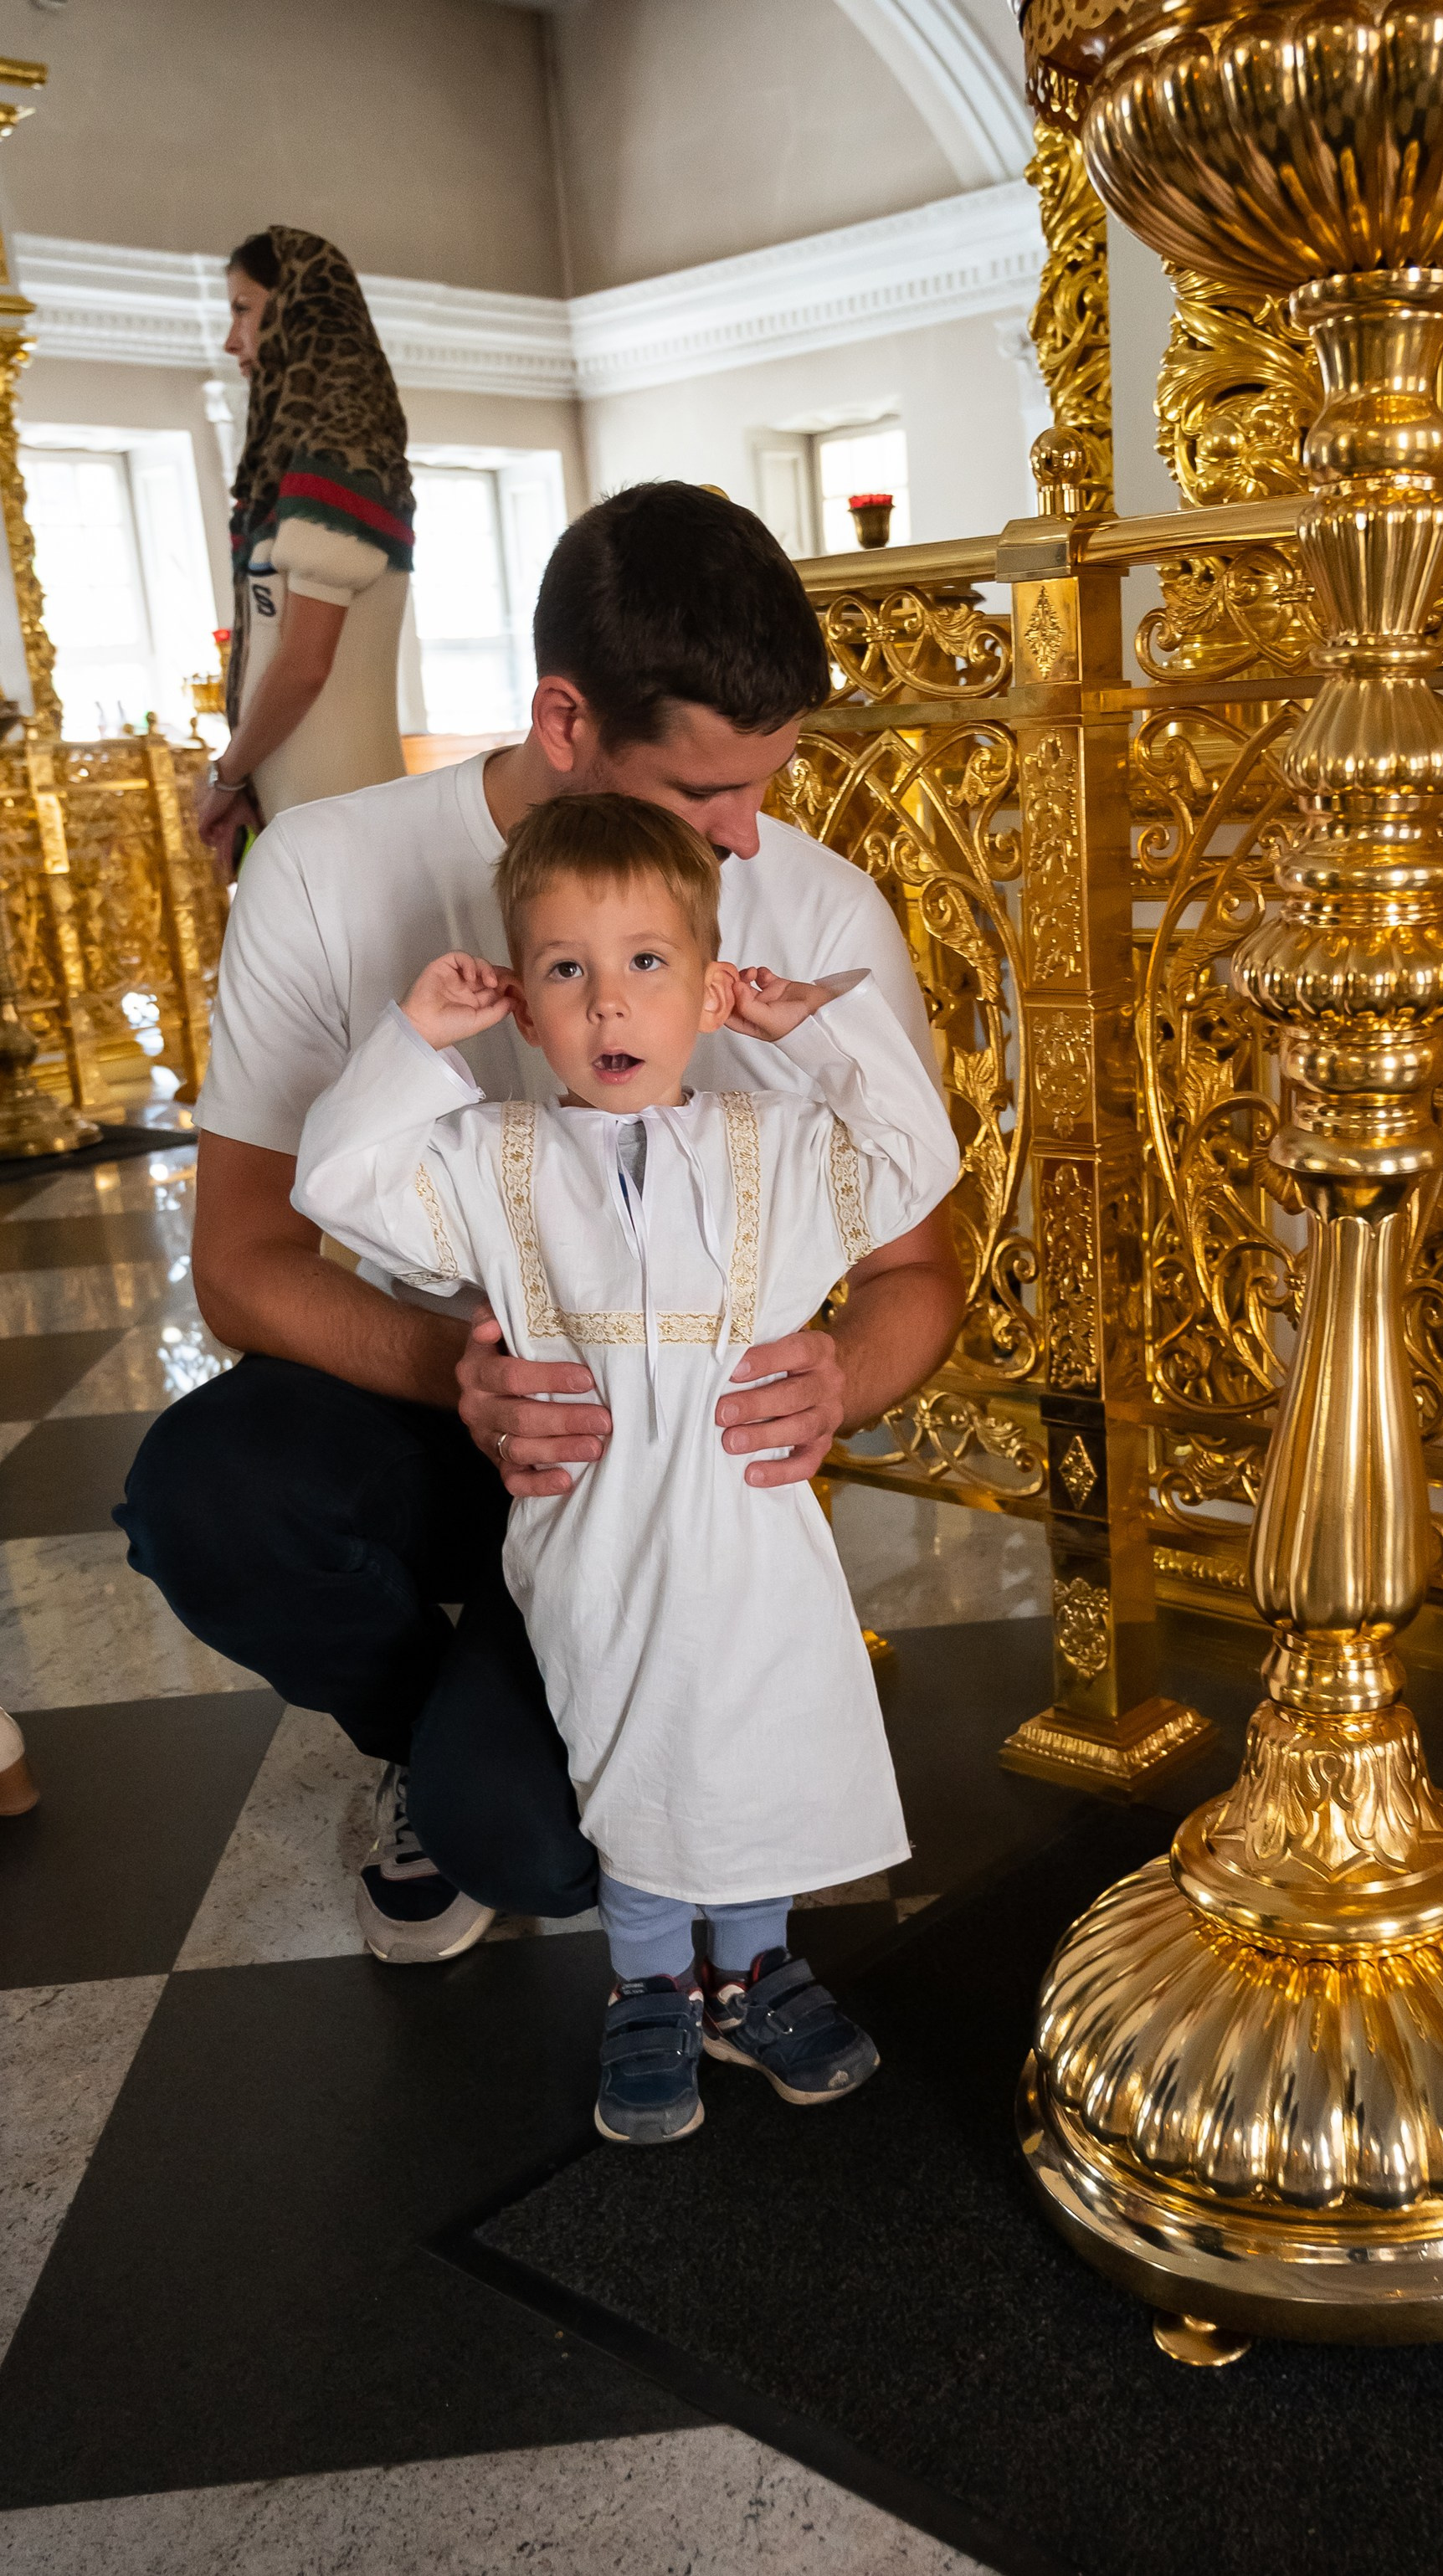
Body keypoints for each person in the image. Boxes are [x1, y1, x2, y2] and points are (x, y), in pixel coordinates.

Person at [119, 481, 967, 1969]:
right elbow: (243, 1263)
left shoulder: (814, 911)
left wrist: (842, 1373)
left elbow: (912, 1269)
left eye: (765, 781)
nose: (748, 838)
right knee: (204, 1493)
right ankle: (415, 1718)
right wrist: (474, 1373)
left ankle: (526, 1733)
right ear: (564, 720)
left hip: (671, 1465)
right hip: (447, 1401)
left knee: (539, 1846)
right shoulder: (322, 871)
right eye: (702, 795)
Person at [294, 793, 959, 2142]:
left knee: (757, 1727)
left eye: (648, 964)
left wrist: (814, 1029)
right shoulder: (494, 1157)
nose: (609, 1005)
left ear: (710, 990)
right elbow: (341, 1182)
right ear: (525, 1011)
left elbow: (915, 1154)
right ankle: (650, 1980)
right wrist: (417, 1040)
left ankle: (760, 1967)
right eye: (564, 971)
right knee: (631, 1736)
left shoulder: (773, 1144)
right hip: (595, 1527)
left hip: (748, 1513)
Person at [197, 228, 414, 877]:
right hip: (304, 820)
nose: (232, 340)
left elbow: (304, 665)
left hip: (349, 826)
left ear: (297, 308)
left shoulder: (344, 451)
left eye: (243, 309)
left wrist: (227, 776)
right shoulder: (294, 468)